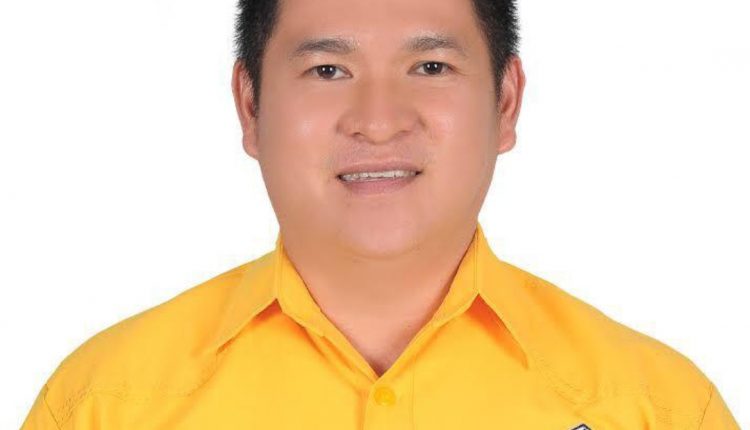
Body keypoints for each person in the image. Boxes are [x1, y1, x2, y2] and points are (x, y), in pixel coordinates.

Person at [21, 0, 740, 428]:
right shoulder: (105, 406)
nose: (377, 120)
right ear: (250, 105)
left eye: (430, 67)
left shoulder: (656, 409)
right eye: (328, 70)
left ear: (505, 101)